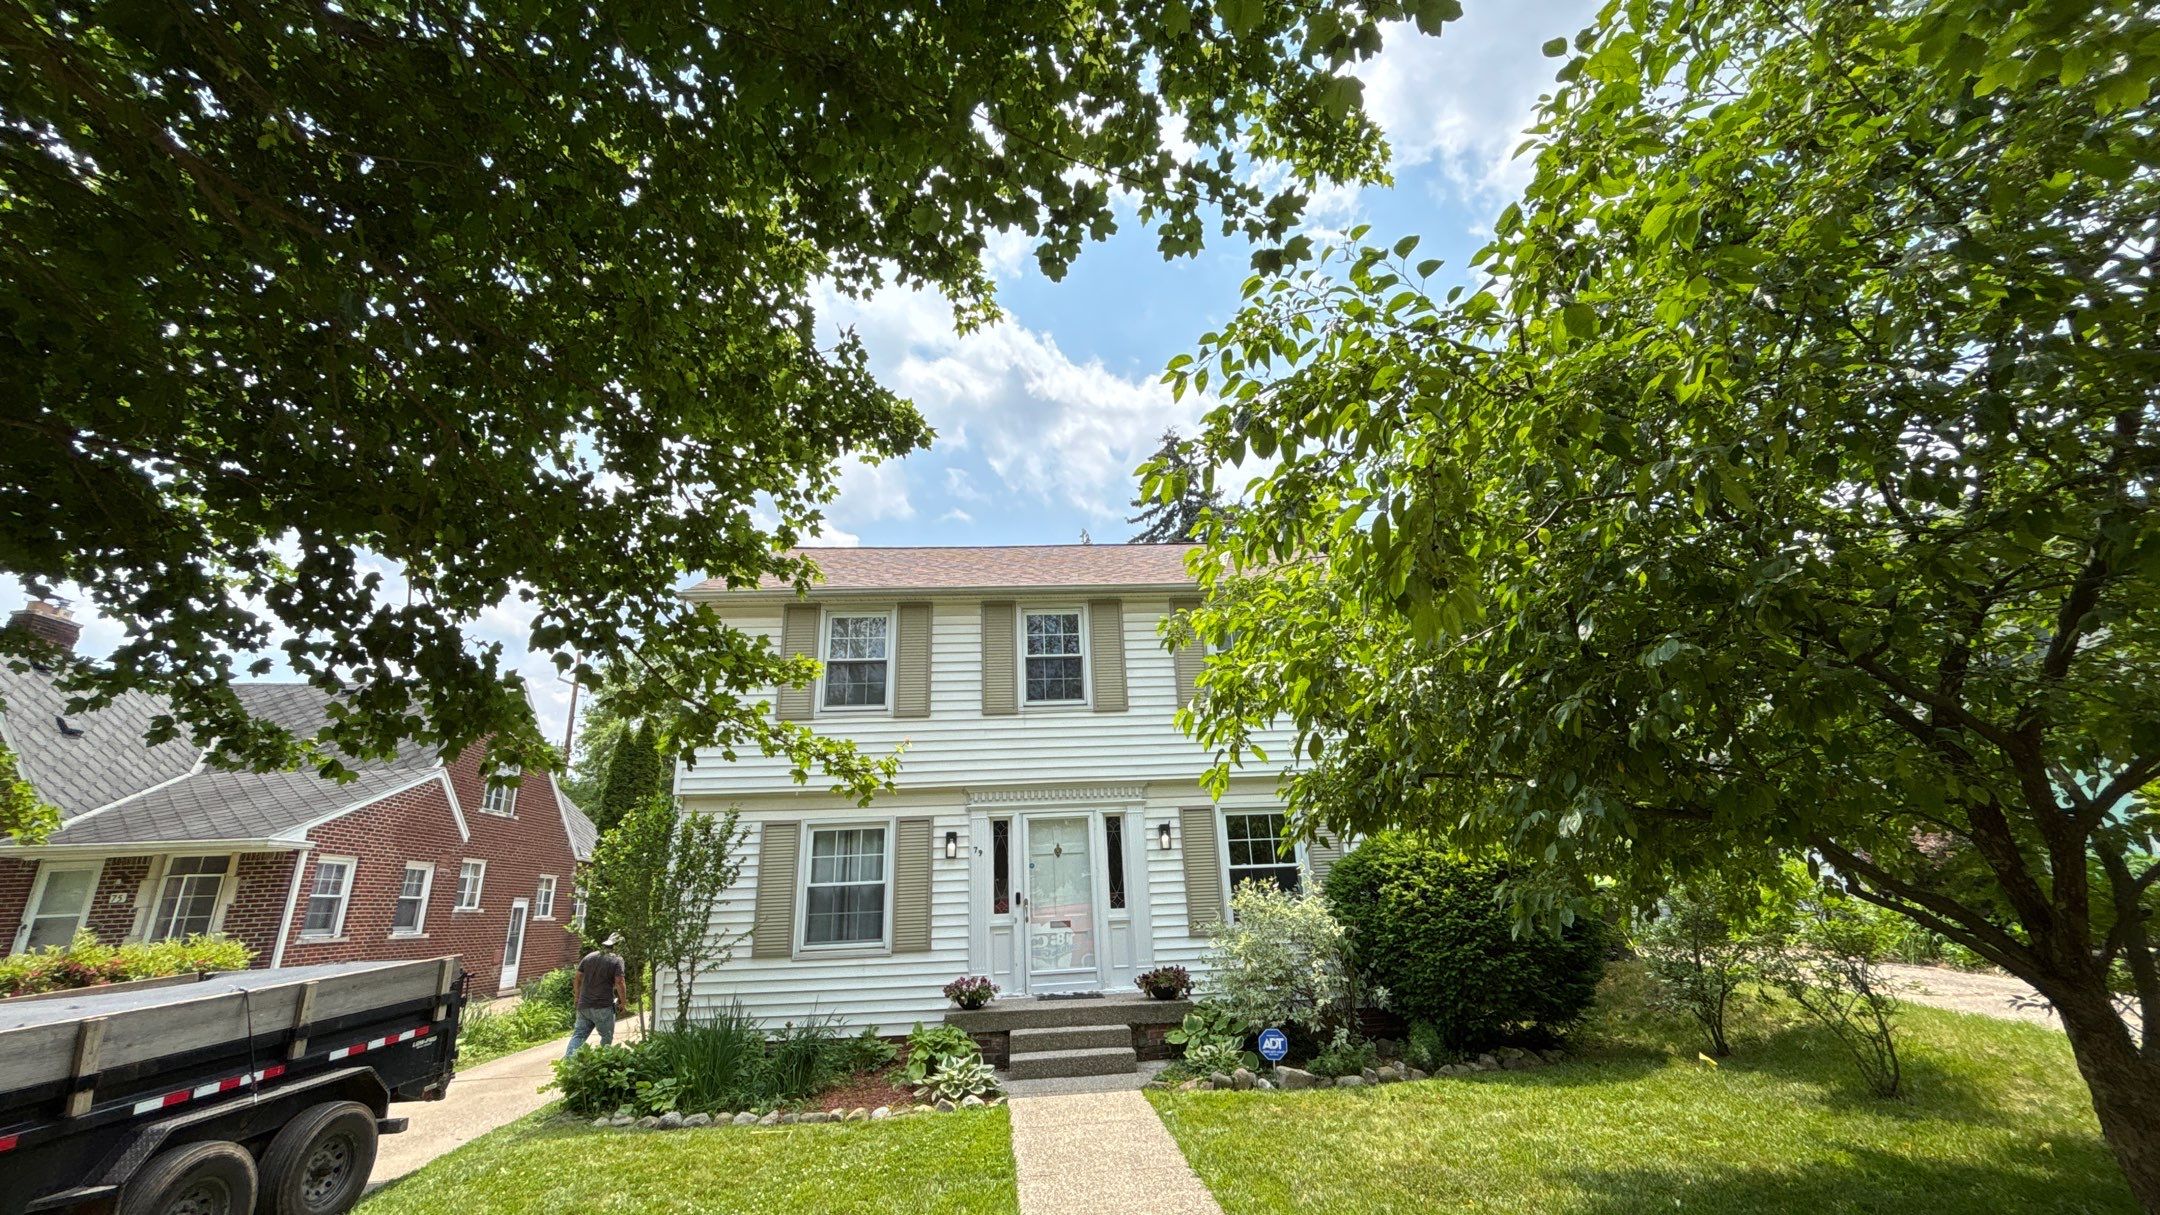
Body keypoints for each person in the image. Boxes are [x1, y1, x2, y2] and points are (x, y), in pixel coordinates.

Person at [565, 932, 628, 1057]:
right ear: (618, 946)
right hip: (603, 1007)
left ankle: (568, 1063)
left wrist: (577, 997)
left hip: (584, 1005)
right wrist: (623, 1002)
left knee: (579, 1035)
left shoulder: (589, 957)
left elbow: (577, 977)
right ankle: (602, 1062)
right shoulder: (616, 960)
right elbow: (620, 982)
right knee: (606, 1036)